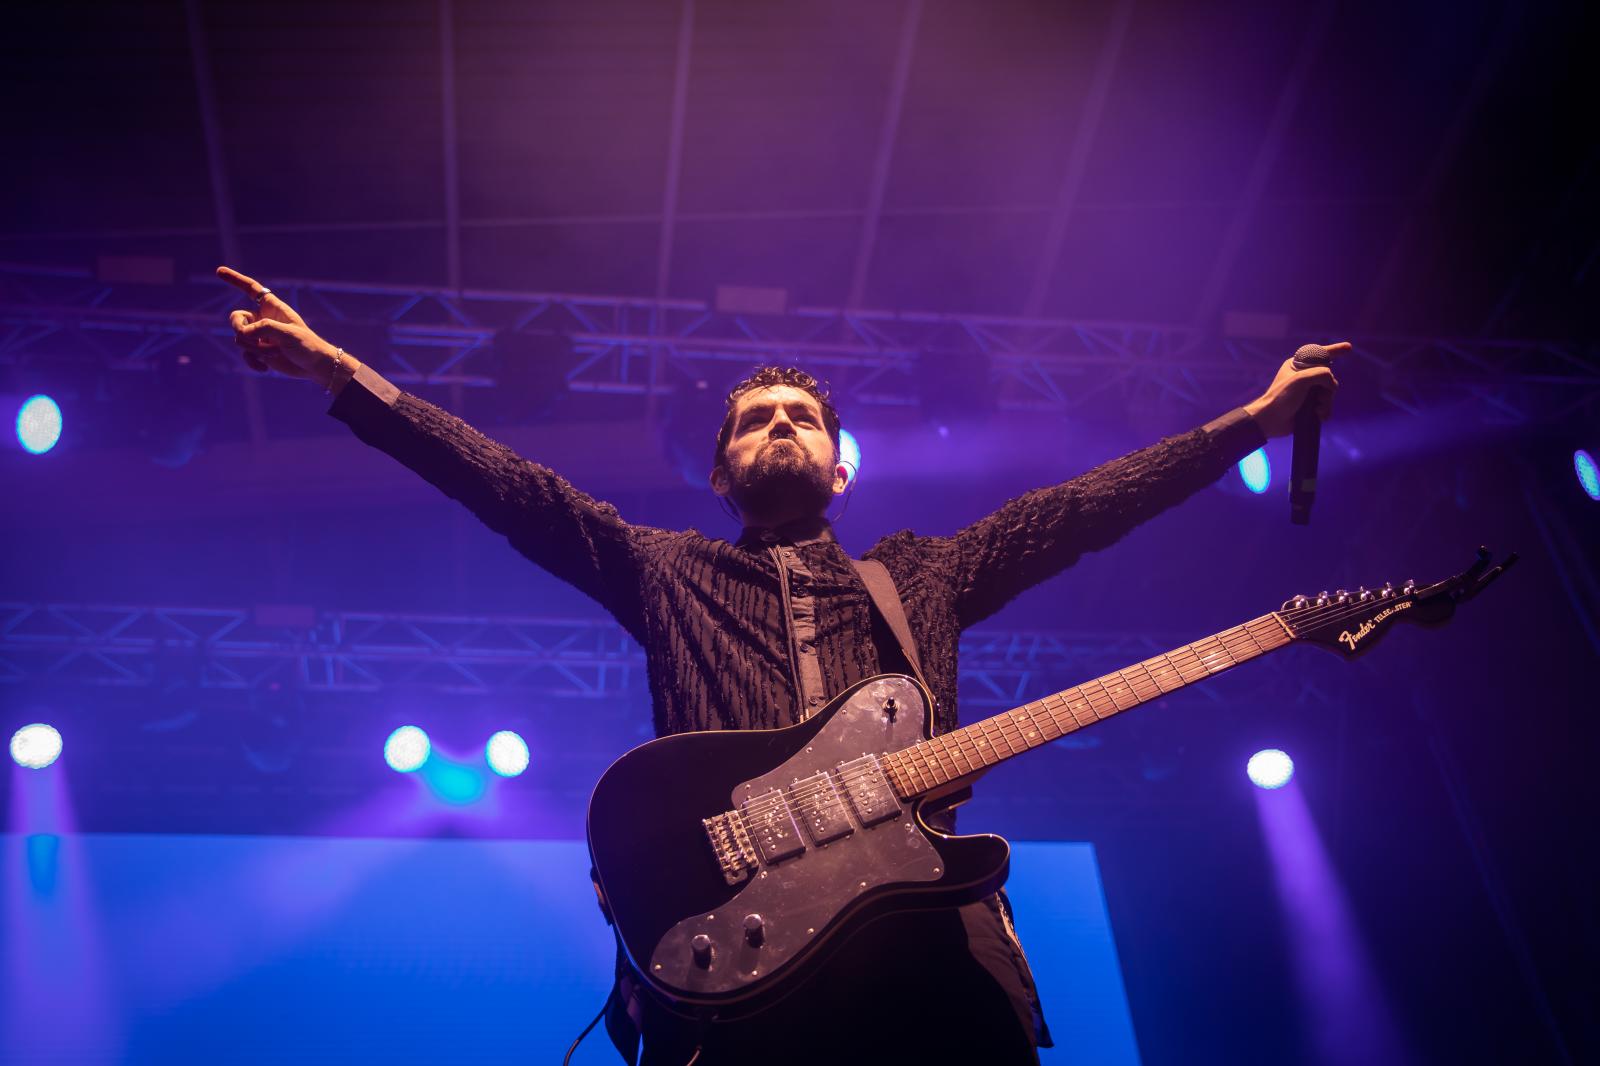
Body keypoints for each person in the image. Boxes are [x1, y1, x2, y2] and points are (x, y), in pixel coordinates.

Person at [218, 265, 1342, 1064]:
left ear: (840, 467)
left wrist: (1253, 415)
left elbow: (1085, 508)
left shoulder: (924, 575)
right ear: (721, 472)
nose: (781, 428)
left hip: (924, 953)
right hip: (739, 971)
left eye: (801, 416)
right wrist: (336, 373)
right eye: (756, 420)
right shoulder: (667, 571)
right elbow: (512, 489)